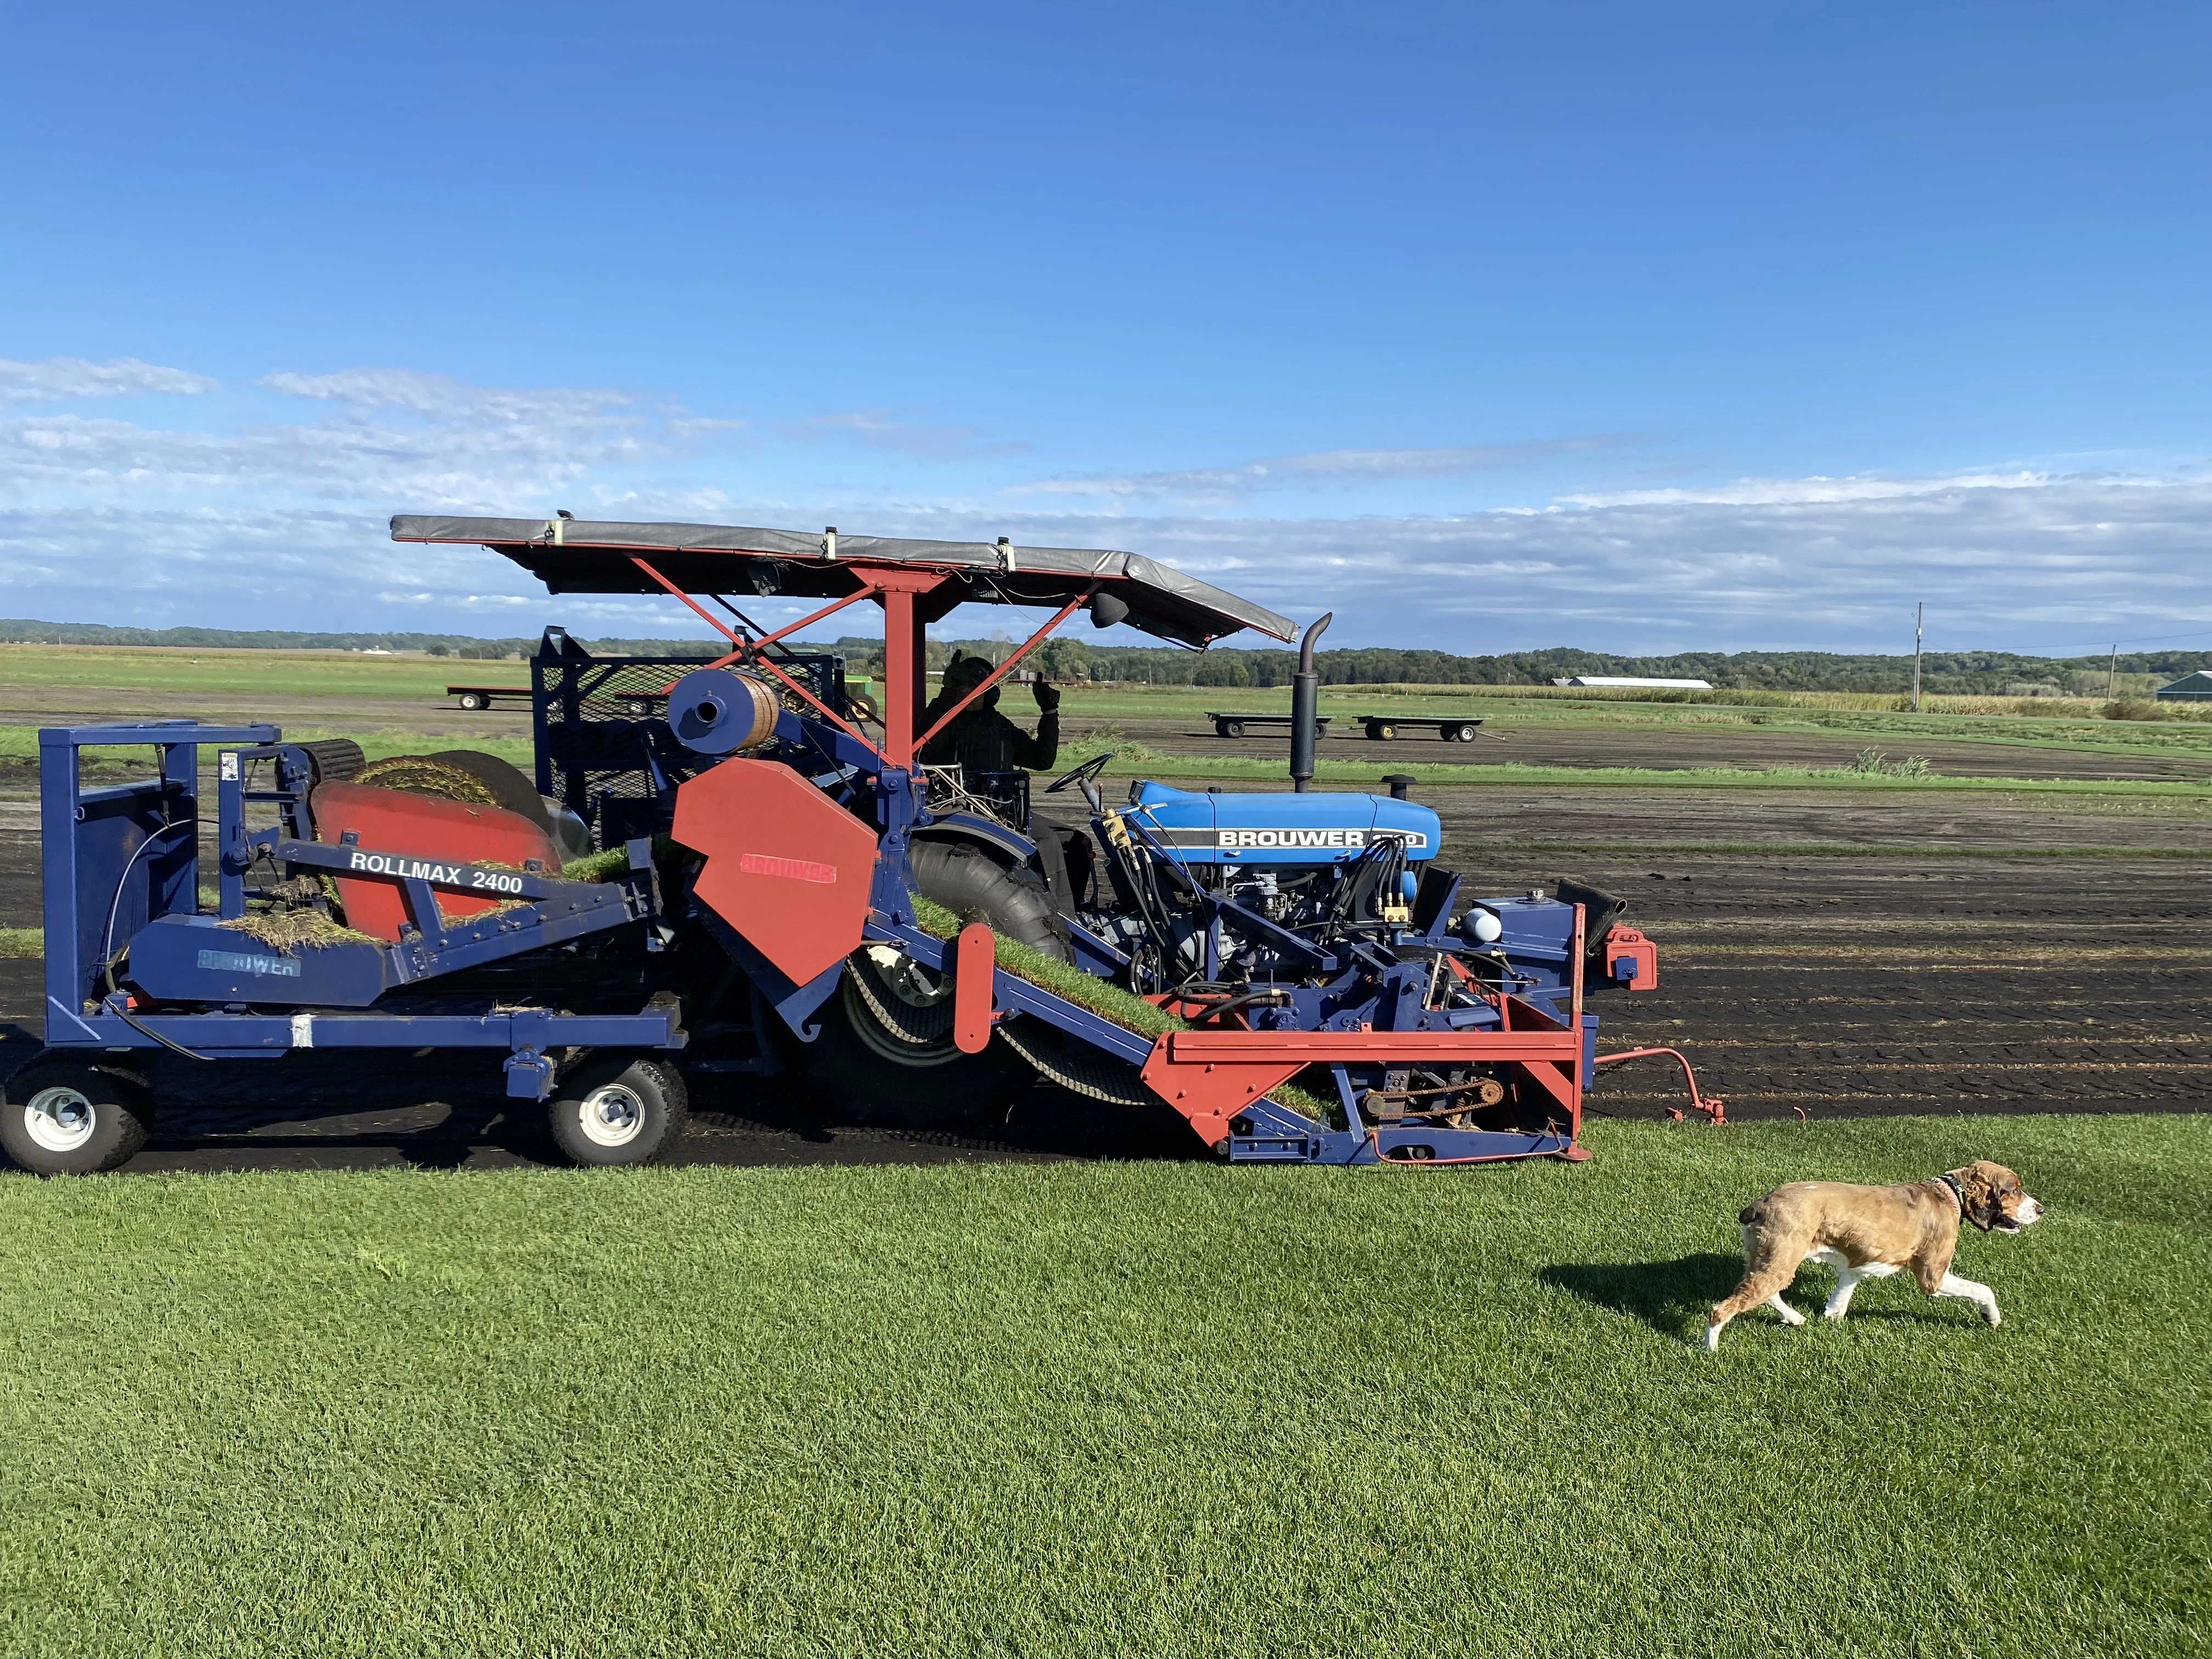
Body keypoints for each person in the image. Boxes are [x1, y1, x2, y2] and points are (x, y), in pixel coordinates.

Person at [917, 651, 1060, 774]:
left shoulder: (1001, 726)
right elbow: (921, 749)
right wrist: (947, 693)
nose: (964, 691)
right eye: (960, 687)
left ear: (990, 693)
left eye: (972, 687)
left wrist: (1050, 712)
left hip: (999, 804)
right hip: (953, 803)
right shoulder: (944, 722)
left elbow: (1042, 761)